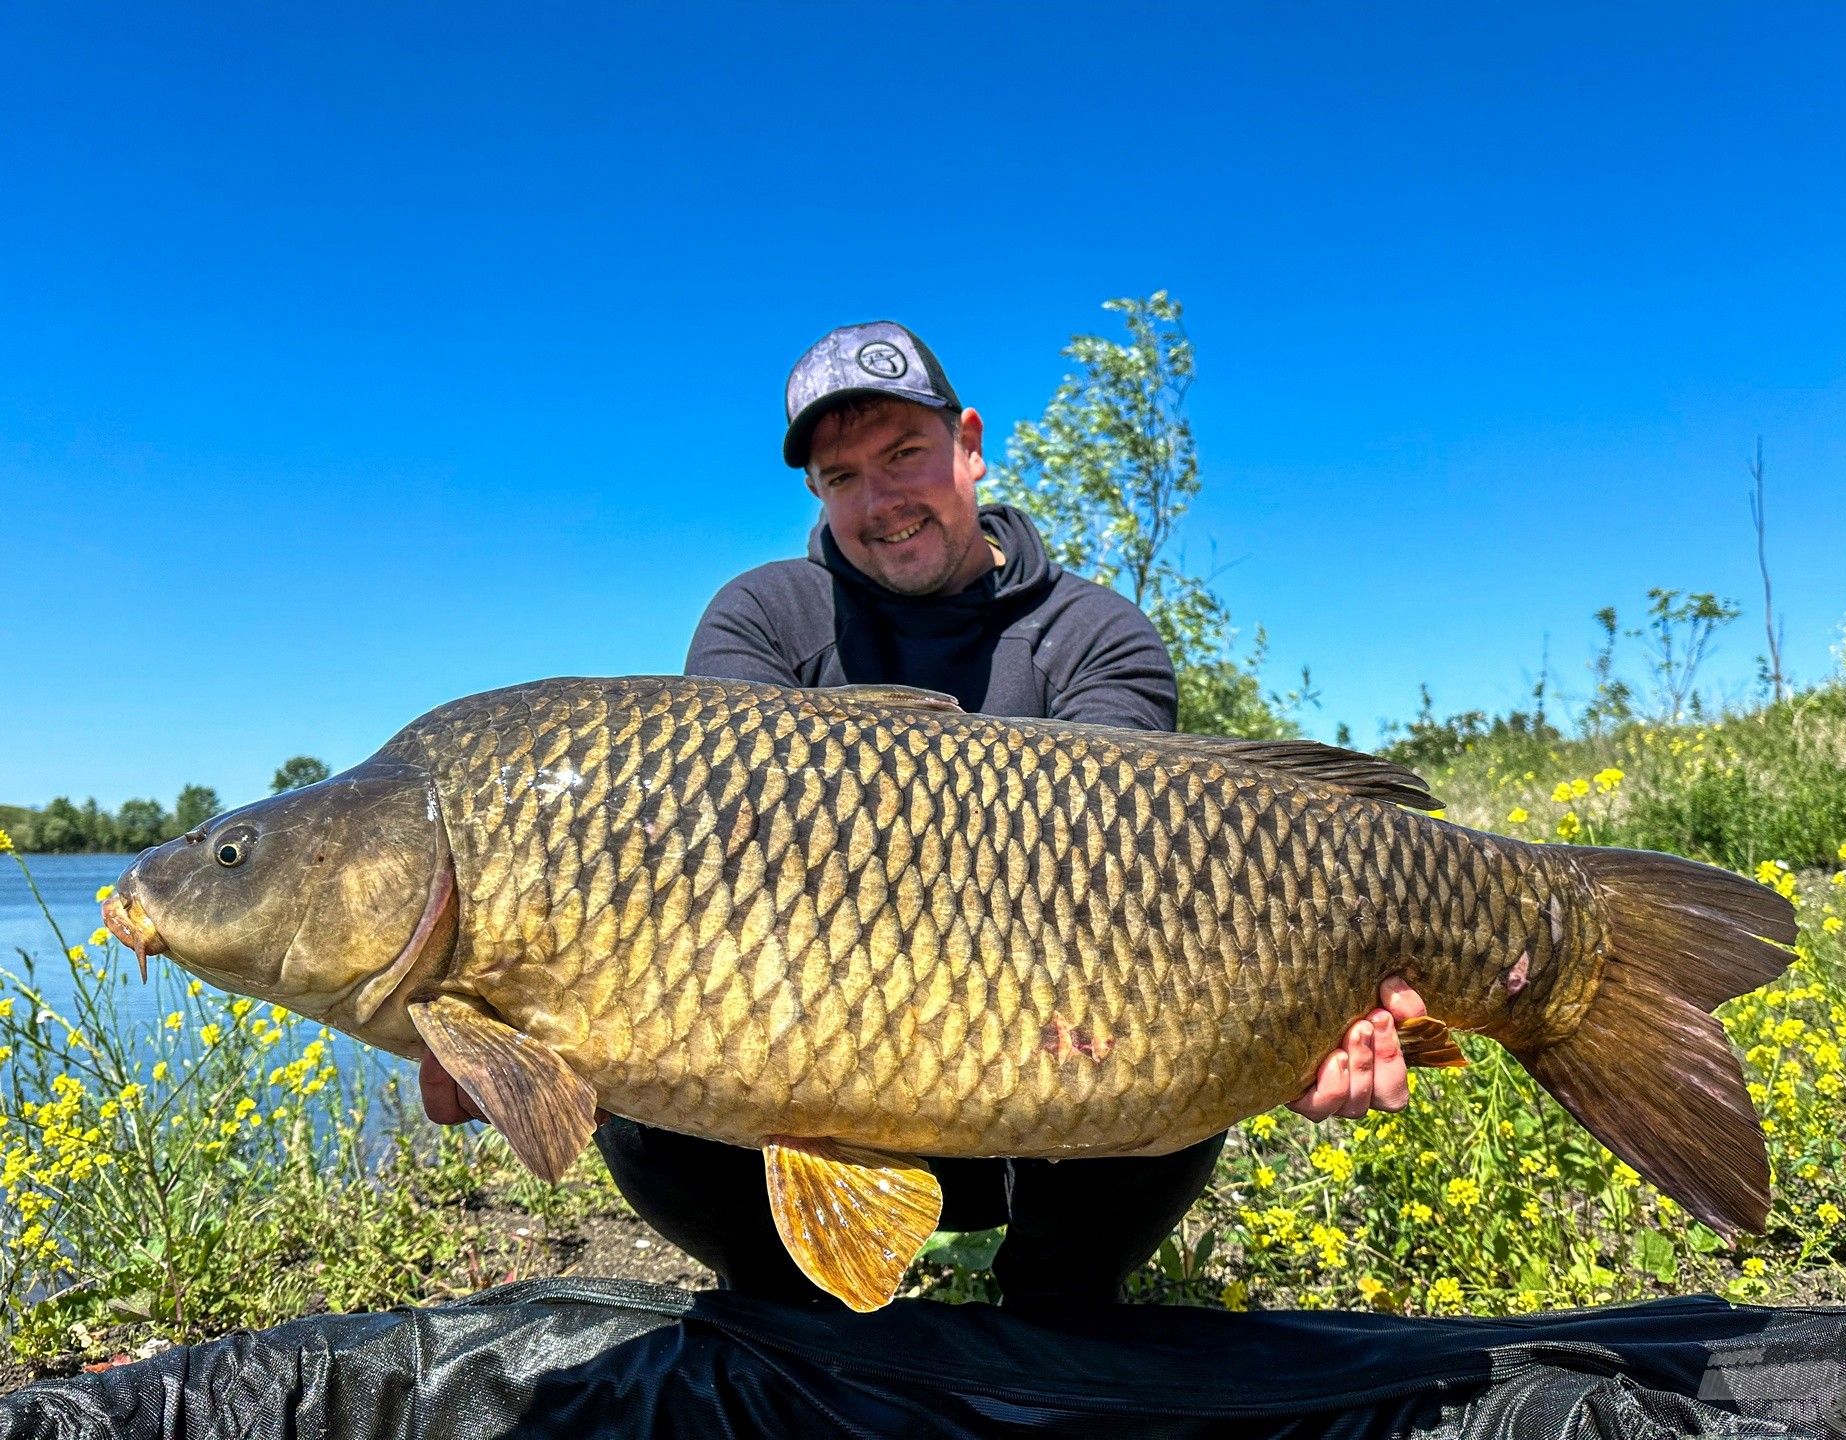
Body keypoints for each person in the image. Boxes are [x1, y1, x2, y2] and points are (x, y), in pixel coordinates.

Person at [421, 321, 1428, 1307]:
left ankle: (1055, 1318)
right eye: (842, 478)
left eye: (904, 453)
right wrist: (505, 1013)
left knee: (1164, 1031)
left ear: (972, 445)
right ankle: (795, 1322)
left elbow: (1138, 876)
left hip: (1046, 1078)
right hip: (803, 1066)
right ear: (816, 494)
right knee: (639, 1077)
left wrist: (1299, 1022)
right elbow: (707, 874)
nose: (881, 501)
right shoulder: (763, 617)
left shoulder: (1096, 637)